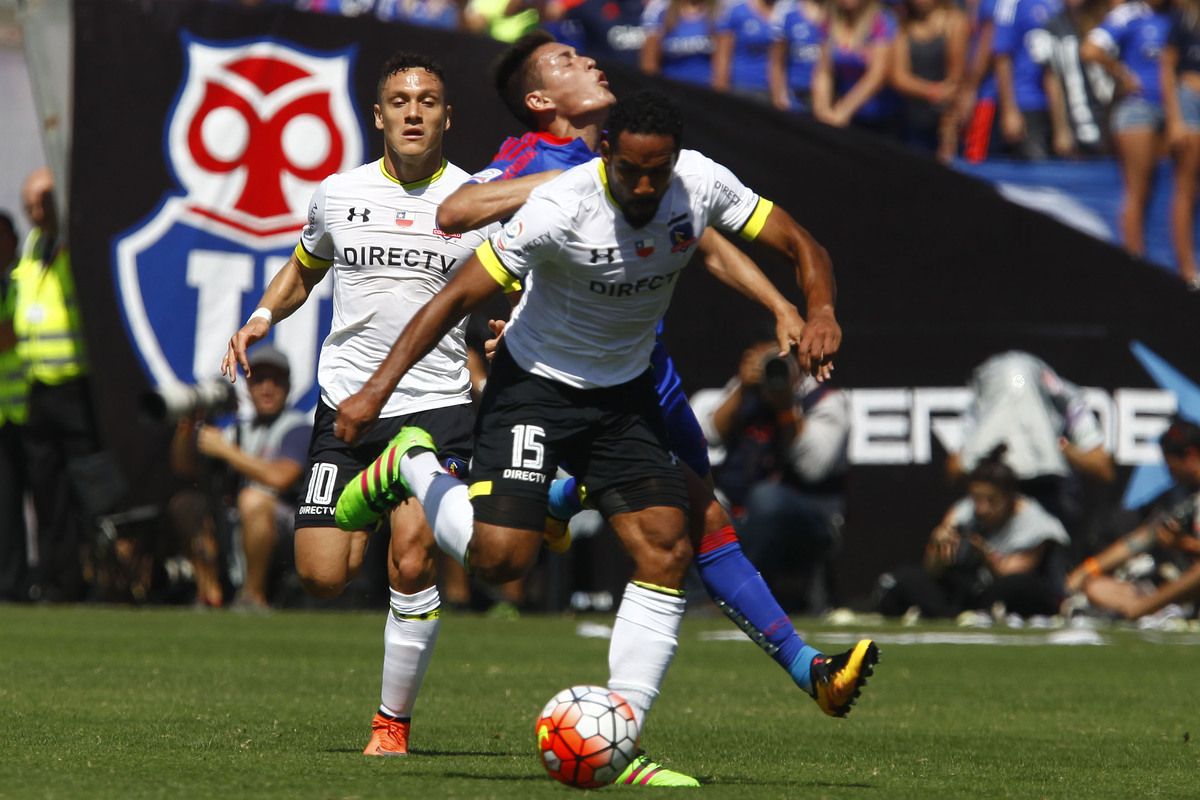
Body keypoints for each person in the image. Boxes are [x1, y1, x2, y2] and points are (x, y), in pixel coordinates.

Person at [334, 88, 879, 786]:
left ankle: (619, 739)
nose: (646, 186)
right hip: (534, 389)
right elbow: (456, 296)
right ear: (605, 157)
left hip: (623, 399)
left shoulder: (701, 184)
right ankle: (409, 466)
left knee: (668, 545)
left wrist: (819, 308)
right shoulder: (560, 207)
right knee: (500, 562)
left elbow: (803, 245)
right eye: (631, 171)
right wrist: (377, 392)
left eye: (659, 170)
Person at [436, 26, 874, 727]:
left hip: (641, 370)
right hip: (555, 377)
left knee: (699, 519)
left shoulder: (657, 167)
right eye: (566, 61)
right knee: (523, 550)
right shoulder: (534, 159)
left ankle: (808, 669)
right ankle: (548, 491)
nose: (589, 61)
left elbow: (701, 241)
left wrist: (781, 303)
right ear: (543, 99)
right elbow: (455, 212)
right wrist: (573, 179)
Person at [221, 52, 498, 756]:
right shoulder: (338, 194)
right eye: (400, 100)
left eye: (428, 100)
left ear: (446, 115)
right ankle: (380, 480)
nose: (413, 111)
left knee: (412, 562)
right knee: (321, 575)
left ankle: (391, 727)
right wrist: (261, 317)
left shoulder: (476, 201)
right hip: (348, 409)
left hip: (436, 408)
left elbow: (518, 289)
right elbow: (304, 267)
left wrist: (504, 339)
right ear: (377, 115)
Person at [690, 332, 850, 613]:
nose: (777, 363)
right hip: (739, 513)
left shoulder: (825, 399)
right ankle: (696, 602)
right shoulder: (747, 391)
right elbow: (701, 438)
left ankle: (738, 599)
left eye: (786, 355)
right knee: (688, 499)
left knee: (767, 499)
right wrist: (741, 386)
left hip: (808, 522)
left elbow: (814, 467)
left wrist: (785, 406)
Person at [0, 168, 101, 603]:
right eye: (29, 206)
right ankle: (61, 582)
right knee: (48, 494)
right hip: (39, 386)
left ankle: (105, 576)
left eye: (43, 202)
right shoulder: (34, 246)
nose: (35, 212)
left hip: (77, 383)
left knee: (91, 487)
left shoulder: (74, 243)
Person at [171, 344, 310, 609]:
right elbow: (184, 468)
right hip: (238, 524)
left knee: (252, 500)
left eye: (276, 381)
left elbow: (281, 478)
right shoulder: (237, 431)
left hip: (286, 527)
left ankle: (252, 595)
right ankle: (209, 594)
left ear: (289, 386)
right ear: (248, 386)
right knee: (188, 504)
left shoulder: (297, 428)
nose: (266, 388)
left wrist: (227, 452)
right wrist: (186, 426)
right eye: (258, 380)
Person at [877, 445, 1072, 621]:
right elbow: (933, 571)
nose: (981, 509)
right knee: (907, 578)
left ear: (1011, 497)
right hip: (969, 593)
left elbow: (1010, 575)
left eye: (991, 501)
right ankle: (949, 616)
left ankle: (961, 614)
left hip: (1011, 590)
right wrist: (938, 547)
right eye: (976, 499)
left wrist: (984, 554)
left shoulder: (1036, 523)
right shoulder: (963, 511)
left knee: (1014, 587)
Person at [946, 351, 1115, 536]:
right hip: (995, 509)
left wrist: (1054, 446)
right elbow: (954, 470)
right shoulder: (982, 404)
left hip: (1051, 504)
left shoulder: (1066, 402)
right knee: (953, 524)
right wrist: (990, 447)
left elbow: (1104, 469)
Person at [1064, 417, 1200, 621]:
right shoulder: (1181, 497)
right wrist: (1085, 571)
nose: (1169, 472)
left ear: (1190, 455)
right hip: (1177, 590)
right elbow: (1140, 539)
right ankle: (1164, 612)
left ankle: (1136, 612)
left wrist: (1185, 545)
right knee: (1096, 586)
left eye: (1170, 464)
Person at [1081, 0, 1173, 260]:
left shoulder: (1180, 15)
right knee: (1137, 189)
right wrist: (1121, 73)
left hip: (1177, 111)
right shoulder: (1129, 14)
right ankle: (1136, 262)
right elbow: (1090, 48)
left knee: (1173, 188)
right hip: (1138, 108)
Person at [889, 0, 969, 161]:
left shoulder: (955, 22)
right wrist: (935, 91)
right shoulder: (901, 24)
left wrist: (948, 132)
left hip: (944, 121)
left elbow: (955, 80)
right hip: (910, 122)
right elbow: (899, 77)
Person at [1034, 0, 1114, 158]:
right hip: (1076, 122)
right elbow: (1053, 80)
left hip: (1109, 121)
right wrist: (1061, 129)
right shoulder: (1054, 27)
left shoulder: (1109, 21)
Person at [993, 0, 1068, 160]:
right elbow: (1001, 56)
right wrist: (1009, 111)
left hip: (1061, 103)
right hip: (1026, 103)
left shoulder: (1058, 4)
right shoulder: (1010, 4)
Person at [811, 0, 900, 133]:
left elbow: (877, 74)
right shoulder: (829, 21)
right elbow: (824, 71)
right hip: (841, 118)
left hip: (878, 120)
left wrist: (843, 111)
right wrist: (822, 111)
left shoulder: (881, 20)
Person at [0, 211, 30, 602]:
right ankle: (10, 582)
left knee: (47, 496)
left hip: (30, 403)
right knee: (5, 504)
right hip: (7, 407)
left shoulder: (26, 278)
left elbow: (11, 334)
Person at [1161, 0, 1200, 288]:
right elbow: (1167, 66)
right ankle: (1187, 270)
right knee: (1186, 187)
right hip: (1189, 103)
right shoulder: (1185, 18)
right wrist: (1174, 118)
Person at [640, 0, 721, 86]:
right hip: (671, 88)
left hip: (707, 89)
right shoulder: (661, 10)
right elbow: (649, 63)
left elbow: (723, 61)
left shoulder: (719, 11)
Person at [713, 0, 780, 101]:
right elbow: (723, 54)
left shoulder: (788, 11)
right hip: (741, 88)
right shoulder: (738, 10)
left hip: (773, 90)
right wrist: (721, 90)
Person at [767, 0, 827, 113]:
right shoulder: (788, 9)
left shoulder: (838, 12)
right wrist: (778, 98)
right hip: (794, 100)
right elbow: (776, 60)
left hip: (827, 101)